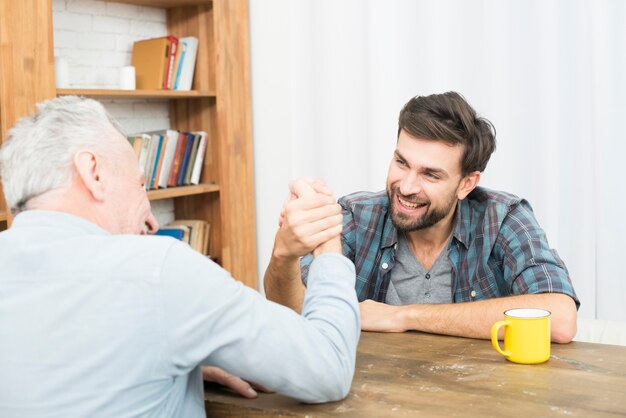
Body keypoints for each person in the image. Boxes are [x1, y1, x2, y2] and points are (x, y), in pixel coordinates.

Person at [0, 96, 359, 417]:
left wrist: (181, 357)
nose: (151, 220)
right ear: (93, 172)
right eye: (141, 185)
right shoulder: (157, 270)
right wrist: (327, 240)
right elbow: (329, 367)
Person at [264, 91, 579, 343]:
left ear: (466, 184)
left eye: (431, 175)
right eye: (402, 163)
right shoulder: (358, 216)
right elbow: (297, 312)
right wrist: (284, 254)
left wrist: (403, 316)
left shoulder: (503, 217)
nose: (406, 186)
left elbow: (560, 319)